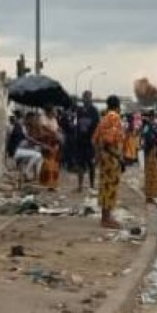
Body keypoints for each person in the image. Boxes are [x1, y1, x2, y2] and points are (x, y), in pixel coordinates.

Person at [94, 96, 125, 229]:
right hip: (111, 158)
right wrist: (118, 156)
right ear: (118, 106)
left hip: (105, 157)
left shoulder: (104, 118)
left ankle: (105, 216)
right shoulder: (114, 117)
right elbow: (109, 139)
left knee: (105, 185)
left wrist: (99, 153)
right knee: (110, 186)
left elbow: (95, 138)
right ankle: (106, 219)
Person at [64, 92, 99, 192]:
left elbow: (97, 126)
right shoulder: (79, 111)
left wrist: (95, 140)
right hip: (80, 141)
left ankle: (92, 186)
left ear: (90, 98)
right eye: (84, 98)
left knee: (91, 164)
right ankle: (80, 186)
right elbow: (76, 125)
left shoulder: (94, 111)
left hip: (90, 142)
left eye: (87, 98)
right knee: (80, 164)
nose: (86, 100)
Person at [142, 111, 157, 204]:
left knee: (155, 174)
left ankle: (152, 195)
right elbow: (149, 140)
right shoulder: (147, 127)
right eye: (152, 117)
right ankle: (149, 196)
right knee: (151, 174)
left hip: (154, 152)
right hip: (150, 152)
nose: (153, 119)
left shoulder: (153, 126)